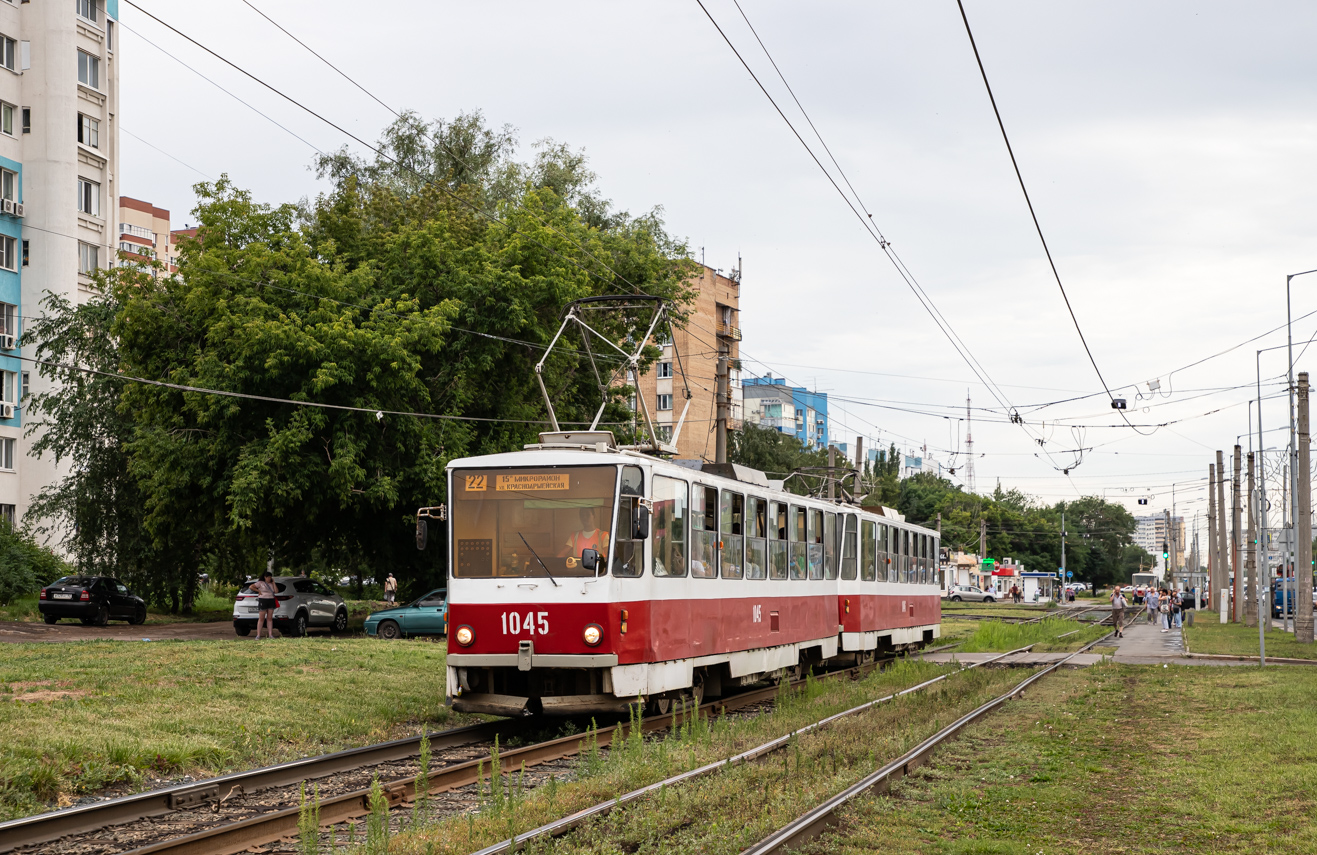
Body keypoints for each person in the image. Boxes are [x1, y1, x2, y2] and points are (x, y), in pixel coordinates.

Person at [251, 571, 278, 639]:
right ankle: (258, 635)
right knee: (261, 618)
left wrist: (273, 583)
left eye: (270, 577)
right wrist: (258, 591)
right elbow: (251, 587)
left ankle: (270, 634)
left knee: (269, 618)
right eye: (268, 577)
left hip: (271, 600)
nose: (269, 578)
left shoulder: (271, 584)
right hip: (263, 600)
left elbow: (276, 591)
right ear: (265, 577)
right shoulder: (261, 583)